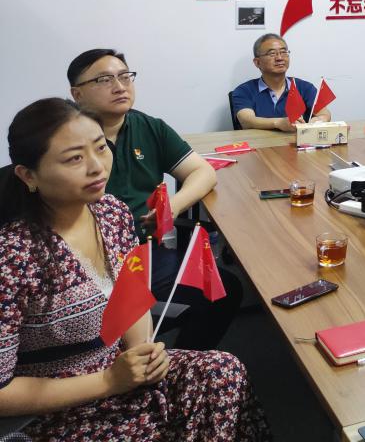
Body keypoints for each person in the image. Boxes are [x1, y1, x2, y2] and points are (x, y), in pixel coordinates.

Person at [0, 98, 270, 440]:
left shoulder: (112, 212)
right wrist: (108, 381)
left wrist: (144, 351)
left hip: (121, 373)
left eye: (101, 148)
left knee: (224, 371)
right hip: (60, 408)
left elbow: (133, 294)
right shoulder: (14, 255)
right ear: (28, 175)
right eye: (74, 159)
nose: (97, 167)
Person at [68, 49, 241, 351]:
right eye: (104, 80)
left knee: (223, 291)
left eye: (125, 77)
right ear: (77, 93)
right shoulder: (65, 137)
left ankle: (180, 363)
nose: (120, 86)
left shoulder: (148, 127)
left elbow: (202, 172)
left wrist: (171, 207)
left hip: (145, 253)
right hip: (88, 261)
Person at [231, 34, 331, 130]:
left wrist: (317, 121)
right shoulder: (244, 91)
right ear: (257, 62)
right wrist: (278, 123)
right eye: (272, 54)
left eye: (283, 52)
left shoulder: (305, 87)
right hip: (259, 142)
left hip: (296, 141)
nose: (279, 58)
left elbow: (324, 114)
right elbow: (247, 121)